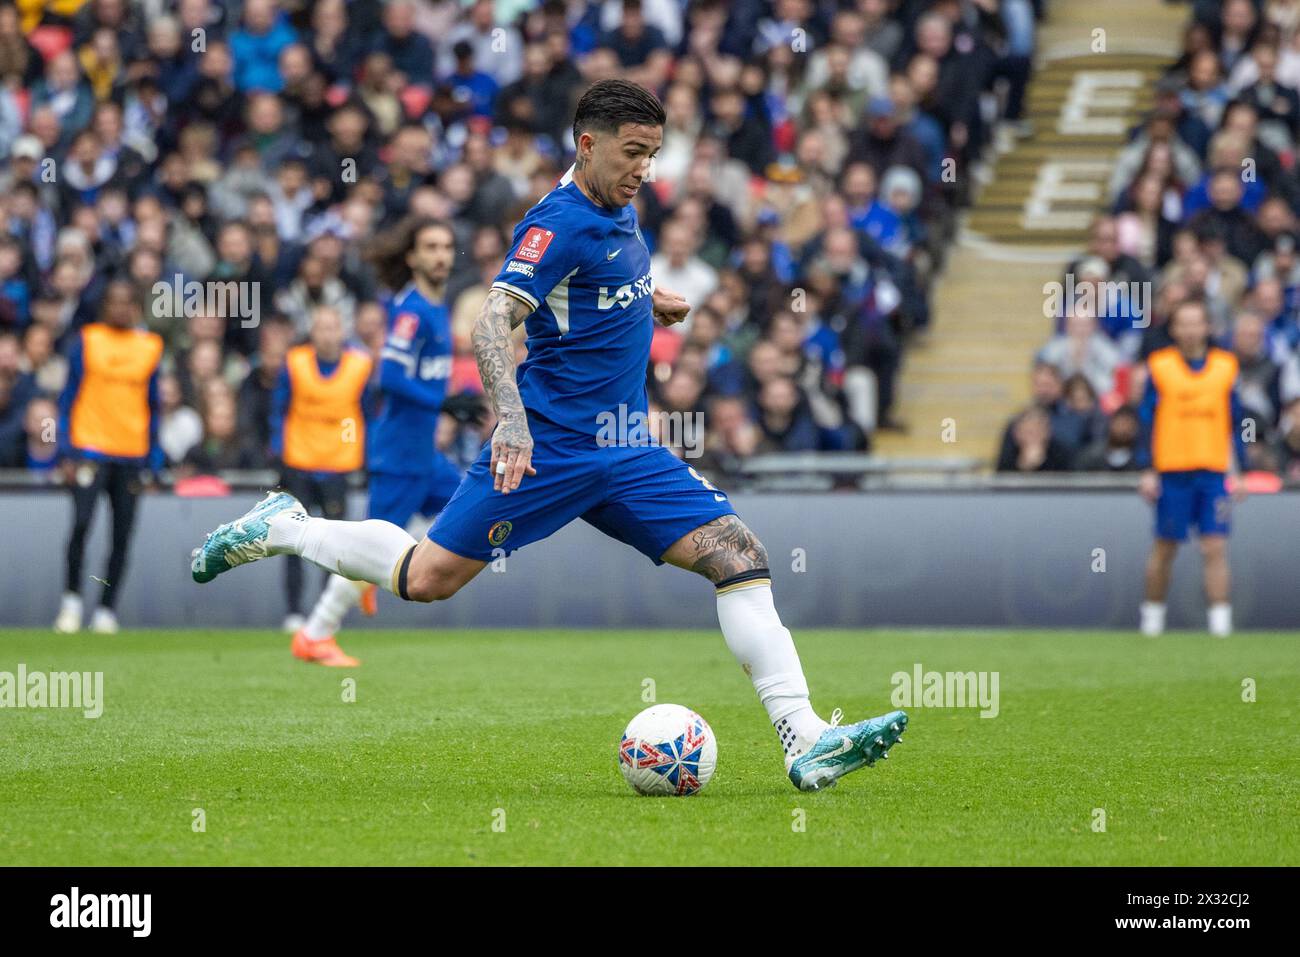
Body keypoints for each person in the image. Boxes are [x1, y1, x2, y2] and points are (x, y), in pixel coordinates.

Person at [191, 80, 906, 792]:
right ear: (587, 145)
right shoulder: (555, 222)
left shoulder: (620, 203)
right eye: (632, 153)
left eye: (652, 154)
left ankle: (804, 737)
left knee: (738, 554)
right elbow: (490, 321)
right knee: (426, 578)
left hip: (627, 445)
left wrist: (644, 300)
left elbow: (591, 282)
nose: (644, 170)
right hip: (554, 445)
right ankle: (288, 526)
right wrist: (511, 418)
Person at [292, 217, 464, 667]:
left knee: (468, 508)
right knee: (364, 547)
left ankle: (374, 574)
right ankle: (315, 633)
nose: (441, 255)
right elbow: (389, 376)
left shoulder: (436, 307)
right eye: (430, 246)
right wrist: (443, 402)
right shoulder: (411, 312)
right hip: (399, 456)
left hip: (424, 455)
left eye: (446, 246)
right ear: (412, 257)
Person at [54, 280, 164, 633]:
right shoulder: (87, 341)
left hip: (131, 453)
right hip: (90, 448)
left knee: (122, 535)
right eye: (114, 301)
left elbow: (154, 406)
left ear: (136, 308)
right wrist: (65, 450)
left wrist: (154, 459)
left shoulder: (150, 346)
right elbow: (68, 396)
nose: (120, 309)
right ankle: (71, 602)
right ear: (105, 307)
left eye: (127, 302)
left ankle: (106, 609)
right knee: (82, 525)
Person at [1137, 299, 1249, 638]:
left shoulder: (1226, 367)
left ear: (1207, 327)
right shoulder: (1160, 367)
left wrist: (1238, 470)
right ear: (1173, 329)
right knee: (1165, 546)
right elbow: (1146, 420)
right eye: (1182, 323)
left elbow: (1236, 422)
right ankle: (1152, 619)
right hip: (1172, 470)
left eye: (1195, 322)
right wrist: (1148, 468)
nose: (1189, 330)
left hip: (1213, 470)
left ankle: (1220, 623)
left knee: (1215, 546)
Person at [270, 304, 373, 635]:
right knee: (293, 541)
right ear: (312, 332)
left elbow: (368, 412)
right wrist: (278, 450)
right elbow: (279, 408)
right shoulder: (294, 362)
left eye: (333, 327)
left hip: (338, 464)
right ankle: (293, 612)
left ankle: (327, 614)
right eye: (321, 328)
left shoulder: (360, 365)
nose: (328, 335)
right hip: (299, 462)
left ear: (342, 331)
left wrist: (366, 455)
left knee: (333, 545)